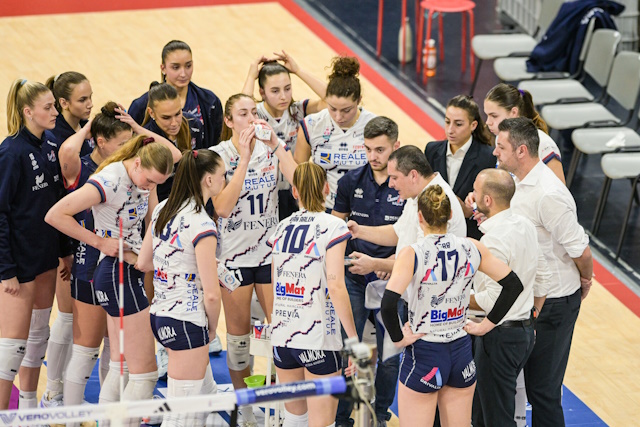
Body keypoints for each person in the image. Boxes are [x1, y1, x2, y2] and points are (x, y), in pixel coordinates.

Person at [45, 135, 179, 426]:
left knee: (121, 364)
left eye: (156, 184)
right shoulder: (110, 180)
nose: (150, 187)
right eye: (149, 181)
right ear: (137, 163)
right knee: (141, 372)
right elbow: (55, 215)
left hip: (129, 268)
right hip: (114, 271)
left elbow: (152, 219)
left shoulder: (145, 177)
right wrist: (99, 242)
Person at [379, 185, 526, 427]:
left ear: (419, 217)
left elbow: (387, 304)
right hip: (461, 353)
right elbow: (513, 285)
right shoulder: (472, 246)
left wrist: (398, 339)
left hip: (425, 352)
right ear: (449, 215)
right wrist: (486, 326)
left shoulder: (412, 253)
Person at [489, 118, 593, 426]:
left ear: (521, 151)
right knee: (512, 383)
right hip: (529, 298)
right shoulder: (515, 181)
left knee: (543, 391)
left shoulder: (549, 194)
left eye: (501, 147)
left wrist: (585, 279)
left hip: (556, 302)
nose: (495, 152)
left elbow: (581, 251)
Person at [210, 93, 297, 426]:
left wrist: (277, 145)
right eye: (243, 114)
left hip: (270, 255)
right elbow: (222, 207)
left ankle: (282, 406)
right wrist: (244, 160)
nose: (251, 119)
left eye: (254, 113)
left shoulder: (271, 149)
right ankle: (245, 409)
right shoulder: (218, 155)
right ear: (229, 121)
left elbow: (301, 186)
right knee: (238, 342)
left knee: (283, 334)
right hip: (234, 258)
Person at [137, 149, 224, 427]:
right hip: (187, 320)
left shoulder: (163, 208)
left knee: (207, 397)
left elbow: (143, 262)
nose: (225, 179)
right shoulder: (202, 223)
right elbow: (212, 294)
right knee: (182, 417)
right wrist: (212, 329)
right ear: (208, 180)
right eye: (223, 175)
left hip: (160, 314)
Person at [268, 162, 358, 427]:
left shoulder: (281, 228)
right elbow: (336, 284)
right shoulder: (333, 226)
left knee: (294, 419)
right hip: (317, 339)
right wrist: (353, 339)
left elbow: (275, 283)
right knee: (322, 423)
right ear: (327, 188)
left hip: (283, 337)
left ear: (294, 191)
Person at [331, 116, 404, 427]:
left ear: (396, 146)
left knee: (390, 355)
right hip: (355, 277)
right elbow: (334, 228)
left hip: (392, 280)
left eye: (380, 150)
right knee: (348, 349)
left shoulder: (405, 184)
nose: (373, 156)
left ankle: (381, 414)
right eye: (368, 149)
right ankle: (341, 418)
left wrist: (390, 265)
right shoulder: (350, 181)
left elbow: (413, 236)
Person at [467, 168, 551, 427]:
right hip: (521, 332)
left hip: (498, 336)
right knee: (484, 413)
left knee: (497, 418)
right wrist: (532, 315)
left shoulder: (493, 241)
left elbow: (493, 300)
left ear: (487, 200)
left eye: (475, 191)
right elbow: (543, 278)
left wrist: (454, 299)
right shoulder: (524, 225)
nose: (472, 196)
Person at [0, 79, 65, 410]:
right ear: (28, 112)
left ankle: (27, 407)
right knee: (12, 347)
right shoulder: (10, 153)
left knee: (39, 335)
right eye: (48, 107)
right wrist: (5, 270)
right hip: (19, 264)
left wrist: (64, 251)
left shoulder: (51, 143)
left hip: (46, 258)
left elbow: (58, 202)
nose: (55, 112)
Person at [40, 71, 95, 408]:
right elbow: (57, 200)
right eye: (82, 100)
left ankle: (61, 390)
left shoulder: (81, 130)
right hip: (63, 238)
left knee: (75, 318)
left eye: (91, 98)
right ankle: (52, 391)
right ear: (63, 102)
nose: (89, 104)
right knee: (67, 316)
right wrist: (64, 253)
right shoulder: (59, 138)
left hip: (81, 235)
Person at [242, 50, 327, 220]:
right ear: (262, 92)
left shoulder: (297, 110)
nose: (283, 96)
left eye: (287, 89)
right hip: (263, 191)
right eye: (275, 91)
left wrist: (298, 71)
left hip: (292, 191)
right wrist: (251, 76)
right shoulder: (255, 113)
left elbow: (331, 100)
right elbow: (240, 108)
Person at [347, 145, 466, 261]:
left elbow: (424, 262)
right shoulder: (416, 194)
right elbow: (398, 232)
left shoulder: (436, 202)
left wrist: (376, 264)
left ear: (413, 175)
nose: (390, 184)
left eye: (394, 178)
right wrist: (358, 231)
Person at [294, 56, 376, 211]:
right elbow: (299, 173)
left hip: (363, 211)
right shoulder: (312, 125)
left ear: (359, 100)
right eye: (332, 108)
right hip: (323, 210)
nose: (338, 117)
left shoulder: (374, 126)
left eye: (346, 110)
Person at [424, 95, 496, 239]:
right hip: (435, 235)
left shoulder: (488, 156)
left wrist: (469, 210)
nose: (450, 130)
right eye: (447, 122)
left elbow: (491, 206)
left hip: (469, 237)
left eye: (458, 124)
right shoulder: (431, 150)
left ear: (473, 125)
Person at [129, 40, 223, 147]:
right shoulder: (140, 106)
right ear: (163, 68)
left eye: (188, 66)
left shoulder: (210, 101)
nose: (183, 74)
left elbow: (216, 143)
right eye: (176, 67)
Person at [484, 83, 566, 184]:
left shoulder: (543, 143)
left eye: (494, 116)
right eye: (487, 115)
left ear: (514, 112)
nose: (488, 122)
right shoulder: (500, 137)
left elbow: (559, 187)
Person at [142, 82, 205, 202]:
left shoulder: (194, 125)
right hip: (161, 201)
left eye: (178, 114)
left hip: (191, 197)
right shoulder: (145, 140)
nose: (174, 123)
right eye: (166, 117)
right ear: (151, 113)